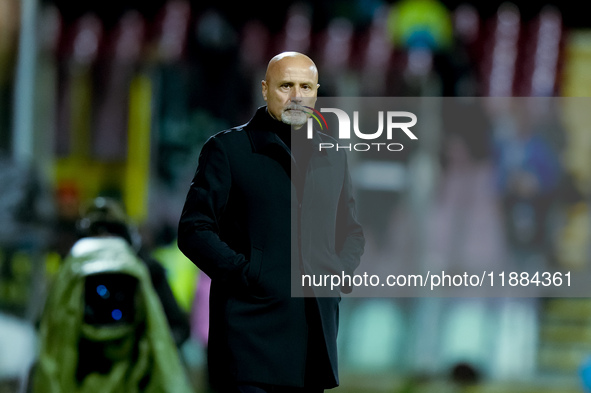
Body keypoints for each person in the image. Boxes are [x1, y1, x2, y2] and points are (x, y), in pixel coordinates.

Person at [177, 51, 364, 392]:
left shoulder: (333, 155)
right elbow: (193, 230)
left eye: (306, 86)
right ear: (265, 90)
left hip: (313, 344)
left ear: (316, 93)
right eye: (286, 85)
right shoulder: (229, 150)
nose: (296, 96)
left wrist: (339, 273)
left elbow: (350, 230)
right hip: (248, 340)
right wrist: (247, 274)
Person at [76, 196, 191, 348]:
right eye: (96, 232)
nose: (104, 239)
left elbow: (178, 327)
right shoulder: (74, 273)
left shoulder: (145, 270)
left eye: (111, 230)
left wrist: (150, 350)